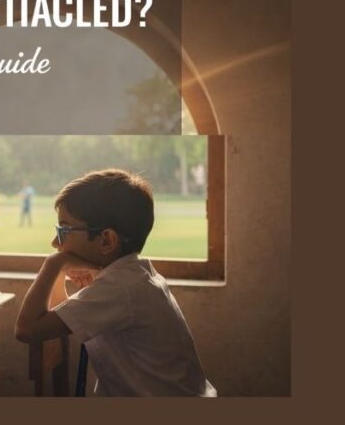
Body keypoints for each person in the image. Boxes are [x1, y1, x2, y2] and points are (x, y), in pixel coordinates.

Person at [14, 169, 215, 396]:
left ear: (107, 240)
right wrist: (61, 273)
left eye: (64, 230)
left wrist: (53, 264)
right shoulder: (134, 275)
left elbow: (27, 329)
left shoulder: (120, 288)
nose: (54, 242)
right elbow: (61, 318)